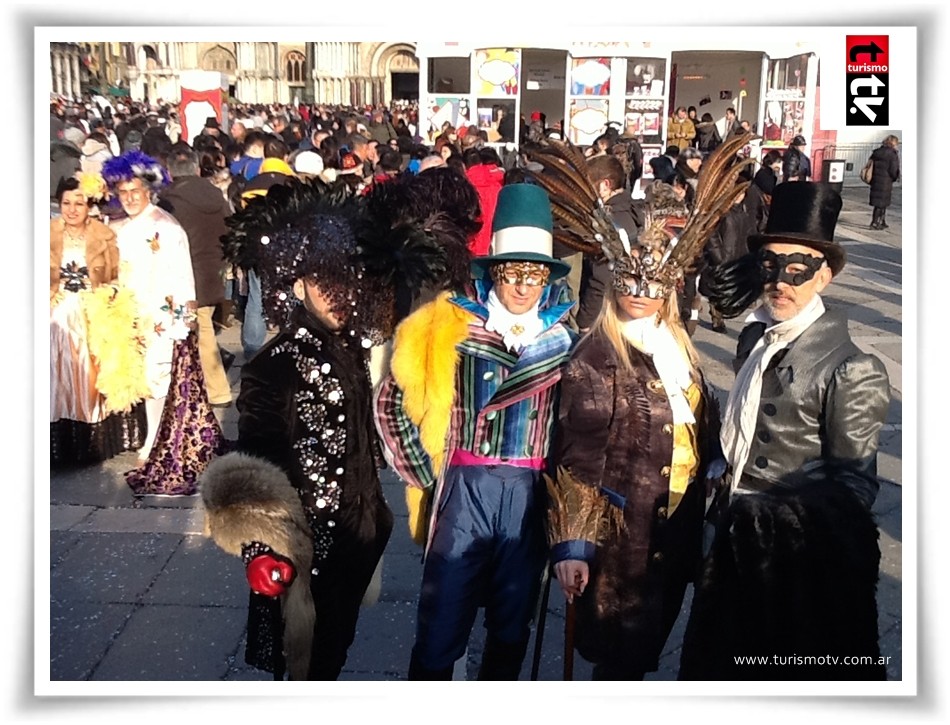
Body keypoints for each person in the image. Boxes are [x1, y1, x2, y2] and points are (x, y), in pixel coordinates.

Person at [679, 181, 891, 680]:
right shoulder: (755, 334)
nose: (781, 282)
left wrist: (772, 519)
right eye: (770, 265)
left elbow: (854, 490)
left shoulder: (854, 369)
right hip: (728, 540)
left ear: (825, 277)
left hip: (788, 569)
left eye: (799, 269)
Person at [374, 183, 577, 680]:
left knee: (511, 630)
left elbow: (576, 430)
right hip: (464, 489)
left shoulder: (566, 341)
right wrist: (424, 471)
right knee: (441, 627)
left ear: (547, 276)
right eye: (513, 271)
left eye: (535, 273)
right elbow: (391, 399)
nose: (524, 286)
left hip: (529, 497)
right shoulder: (453, 327)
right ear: (495, 271)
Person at [547, 239, 723, 682]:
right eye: (629, 279)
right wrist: (574, 546)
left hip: (673, 532)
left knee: (645, 654)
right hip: (621, 543)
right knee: (618, 661)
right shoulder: (596, 356)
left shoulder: (677, 350)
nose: (640, 291)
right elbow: (579, 454)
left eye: (654, 281)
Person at [101, 150, 224, 495]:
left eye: (134, 192)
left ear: (148, 191)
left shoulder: (166, 227)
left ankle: (155, 438)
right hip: (131, 313)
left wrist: (181, 320)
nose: (128, 199)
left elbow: (182, 275)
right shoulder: (122, 228)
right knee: (142, 377)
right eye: (123, 193)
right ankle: (149, 434)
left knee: (159, 378)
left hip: (161, 315)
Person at [50, 173, 147, 466]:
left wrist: (110, 296)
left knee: (90, 375)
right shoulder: (46, 233)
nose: (72, 209)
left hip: (95, 314)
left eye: (79, 203)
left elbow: (118, 275)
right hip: (55, 314)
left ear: (89, 205)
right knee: (57, 374)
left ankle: (90, 440)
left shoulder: (104, 235)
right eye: (66, 203)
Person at [158, 148, 234, 408]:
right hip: (213, 271)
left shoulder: (168, 202)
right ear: (197, 169)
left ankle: (218, 390)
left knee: (201, 332)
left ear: (169, 172)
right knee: (202, 328)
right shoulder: (216, 196)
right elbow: (230, 227)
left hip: (186, 277)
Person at [868, 134, 901, 230]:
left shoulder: (877, 152)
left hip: (876, 180)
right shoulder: (892, 154)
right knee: (881, 203)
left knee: (880, 202)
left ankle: (881, 221)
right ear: (893, 143)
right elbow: (893, 169)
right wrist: (895, 177)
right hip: (886, 181)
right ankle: (874, 222)